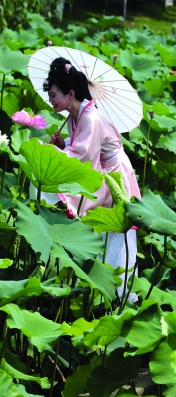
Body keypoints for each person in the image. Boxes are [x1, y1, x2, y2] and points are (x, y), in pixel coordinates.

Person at [45, 57, 141, 301]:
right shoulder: (77, 116)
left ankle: (119, 293)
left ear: (70, 94)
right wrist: (63, 143)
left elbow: (84, 155)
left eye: (54, 95)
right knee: (101, 233)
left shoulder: (91, 117)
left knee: (116, 233)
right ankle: (98, 291)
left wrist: (53, 152)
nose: (51, 100)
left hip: (114, 174)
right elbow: (79, 146)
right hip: (103, 169)